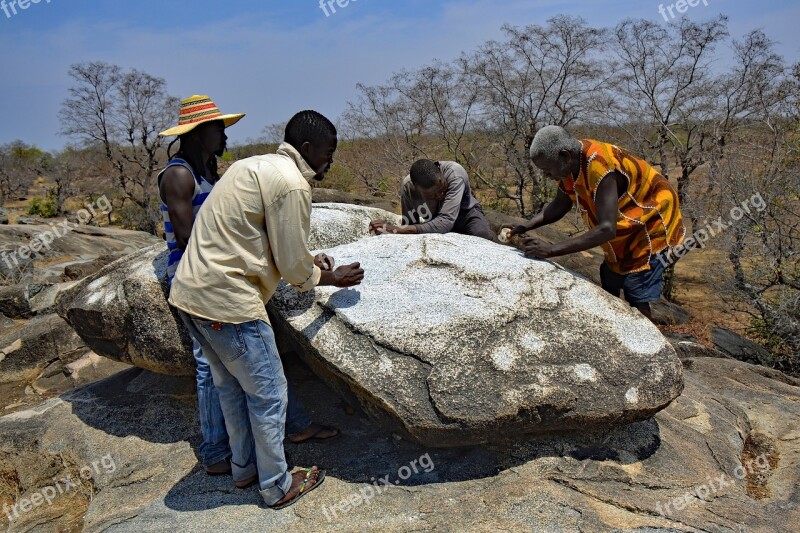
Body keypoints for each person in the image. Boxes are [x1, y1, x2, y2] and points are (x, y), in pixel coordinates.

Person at [168, 110, 365, 509]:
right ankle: (276, 484)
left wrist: (309, 259)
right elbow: (291, 264)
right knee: (270, 394)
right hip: (229, 300)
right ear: (307, 149)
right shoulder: (292, 184)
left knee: (230, 387)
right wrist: (328, 278)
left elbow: (258, 237)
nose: (330, 161)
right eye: (328, 152)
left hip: (191, 292)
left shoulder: (251, 165)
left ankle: (243, 469)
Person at [505, 126, 685, 320]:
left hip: (651, 219)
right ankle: (614, 325)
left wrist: (551, 250)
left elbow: (607, 229)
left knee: (636, 284)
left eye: (548, 170)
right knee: (610, 277)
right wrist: (526, 225)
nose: (546, 176)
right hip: (625, 222)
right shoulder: (571, 165)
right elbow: (560, 204)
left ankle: (648, 341)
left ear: (565, 156)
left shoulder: (600, 167)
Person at [369, 159, 494, 240]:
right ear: (417, 188)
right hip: (435, 219)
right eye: (433, 195)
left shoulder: (455, 173)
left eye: (441, 189)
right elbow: (409, 223)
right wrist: (387, 230)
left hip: (466, 214)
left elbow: (445, 222)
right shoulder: (408, 187)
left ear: (440, 175)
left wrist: (393, 229)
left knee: (482, 236)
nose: (440, 196)